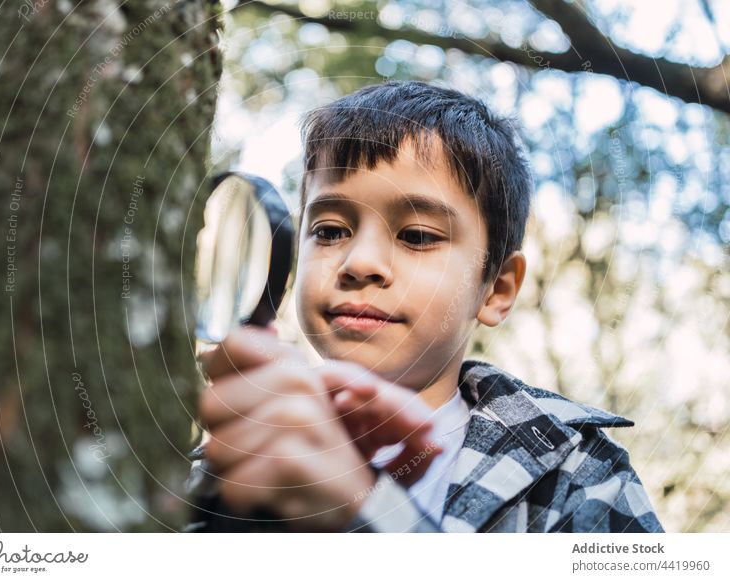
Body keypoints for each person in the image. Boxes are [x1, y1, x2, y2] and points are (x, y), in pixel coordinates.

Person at [188, 80, 664, 533]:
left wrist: (373, 514)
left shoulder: (582, 472)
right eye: (330, 230)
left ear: (495, 289)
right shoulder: (218, 464)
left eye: (417, 236)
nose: (361, 263)